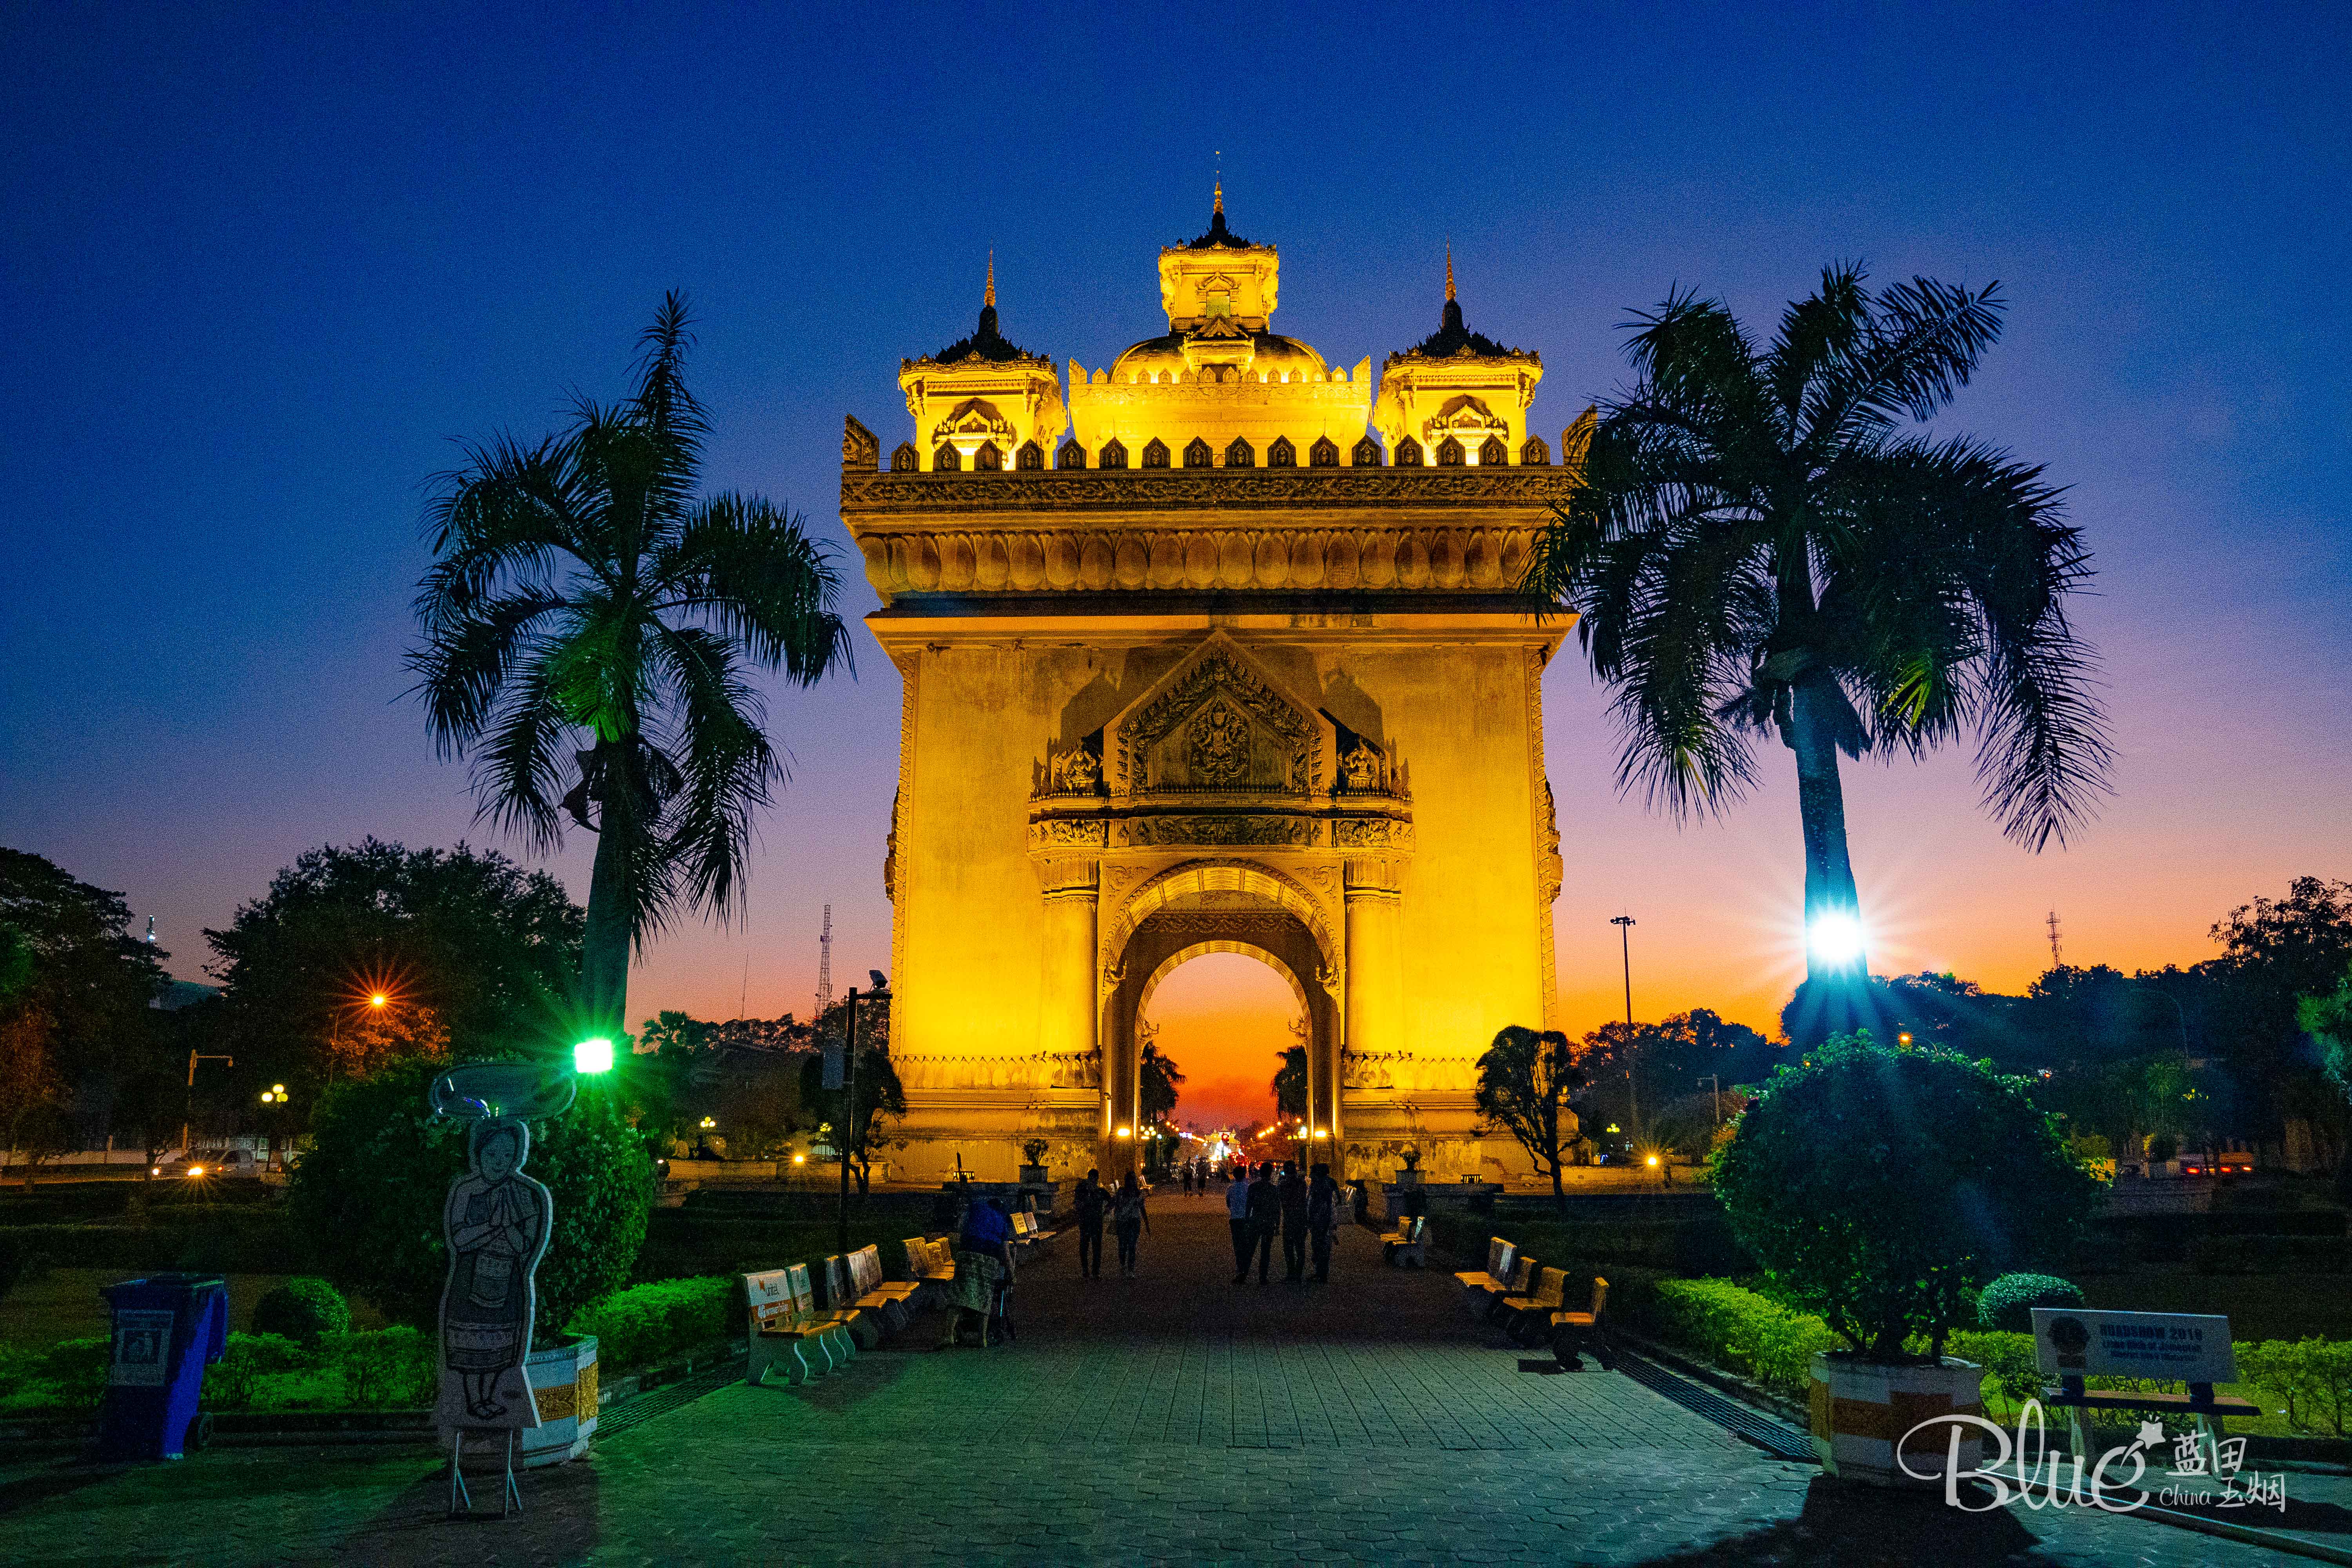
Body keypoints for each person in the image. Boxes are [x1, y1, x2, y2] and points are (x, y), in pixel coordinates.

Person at [940, 1195, 1014, 1348]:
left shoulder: (975, 1208)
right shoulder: (1001, 1218)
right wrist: (1012, 1274)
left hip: (967, 1253)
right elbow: (1005, 1251)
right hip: (989, 1258)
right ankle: (982, 1339)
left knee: (958, 1295)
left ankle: (948, 1336)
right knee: (985, 1297)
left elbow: (961, 1230)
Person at [1243, 1162, 1280, 1285]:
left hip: (1256, 1220)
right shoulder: (1273, 1189)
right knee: (1266, 1251)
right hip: (1268, 1222)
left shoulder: (1253, 1187)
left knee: (1250, 1249)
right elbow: (1277, 1208)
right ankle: (1263, 1277)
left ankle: (1243, 1275)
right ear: (1271, 1173)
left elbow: (1248, 1206)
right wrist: (1278, 1225)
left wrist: (1247, 1221)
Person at [1307, 1162, 1341, 1284]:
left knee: (1320, 1248)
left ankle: (1321, 1275)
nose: (1310, 1175)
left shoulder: (1321, 1186)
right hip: (1323, 1221)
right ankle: (1321, 1274)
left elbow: (1323, 1205)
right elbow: (1339, 1199)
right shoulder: (1329, 1183)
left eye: (1312, 1173)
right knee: (1322, 1248)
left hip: (1321, 1221)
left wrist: (1325, 1219)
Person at [1112, 1171, 1150, 1278]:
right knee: (1123, 1246)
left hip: (1134, 1222)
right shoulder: (1121, 1193)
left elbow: (1142, 1209)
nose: (1133, 1182)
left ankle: (1131, 1269)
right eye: (1131, 1180)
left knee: (1132, 1246)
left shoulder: (1138, 1194)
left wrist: (1147, 1223)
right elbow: (1117, 1205)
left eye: (1134, 1180)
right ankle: (1123, 1264)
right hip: (1123, 1222)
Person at [1278, 1160, 1310, 1283]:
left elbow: (1280, 1201)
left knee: (1289, 1248)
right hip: (1301, 1218)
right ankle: (1298, 1275)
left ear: (1285, 1170)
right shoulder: (1302, 1183)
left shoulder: (1282, 1184)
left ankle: (1291, 1273)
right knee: (1300, 1247)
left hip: (1289, 1219)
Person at [1073, 1167, 1107, 1280]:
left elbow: (1111, 1200)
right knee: (1084, 1247)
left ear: (1097, 1180)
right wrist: (1083, 1205)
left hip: (1096, 1222)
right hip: (1086, 1222)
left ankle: (1095, 1272)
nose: (1093, 1181)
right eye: (1091, 1179)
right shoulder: (1083, 1191)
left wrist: (1106, 1211)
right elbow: (1077, 1204)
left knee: (1096, 1248)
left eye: (1094, 1179)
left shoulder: (1100, 1192)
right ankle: (1086, 1270)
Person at [1226, 1160, 1255, 1281]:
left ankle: (1241, 1269)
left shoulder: (1231, 1189)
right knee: (1247, 1244)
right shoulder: (1249, 1188)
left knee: (1238, 1246)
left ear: (1234, 1176)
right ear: (1245, 1175)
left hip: (1235, 1220)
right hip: (1247, 1219)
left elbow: (1228, 1204)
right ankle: (1245, 1268)